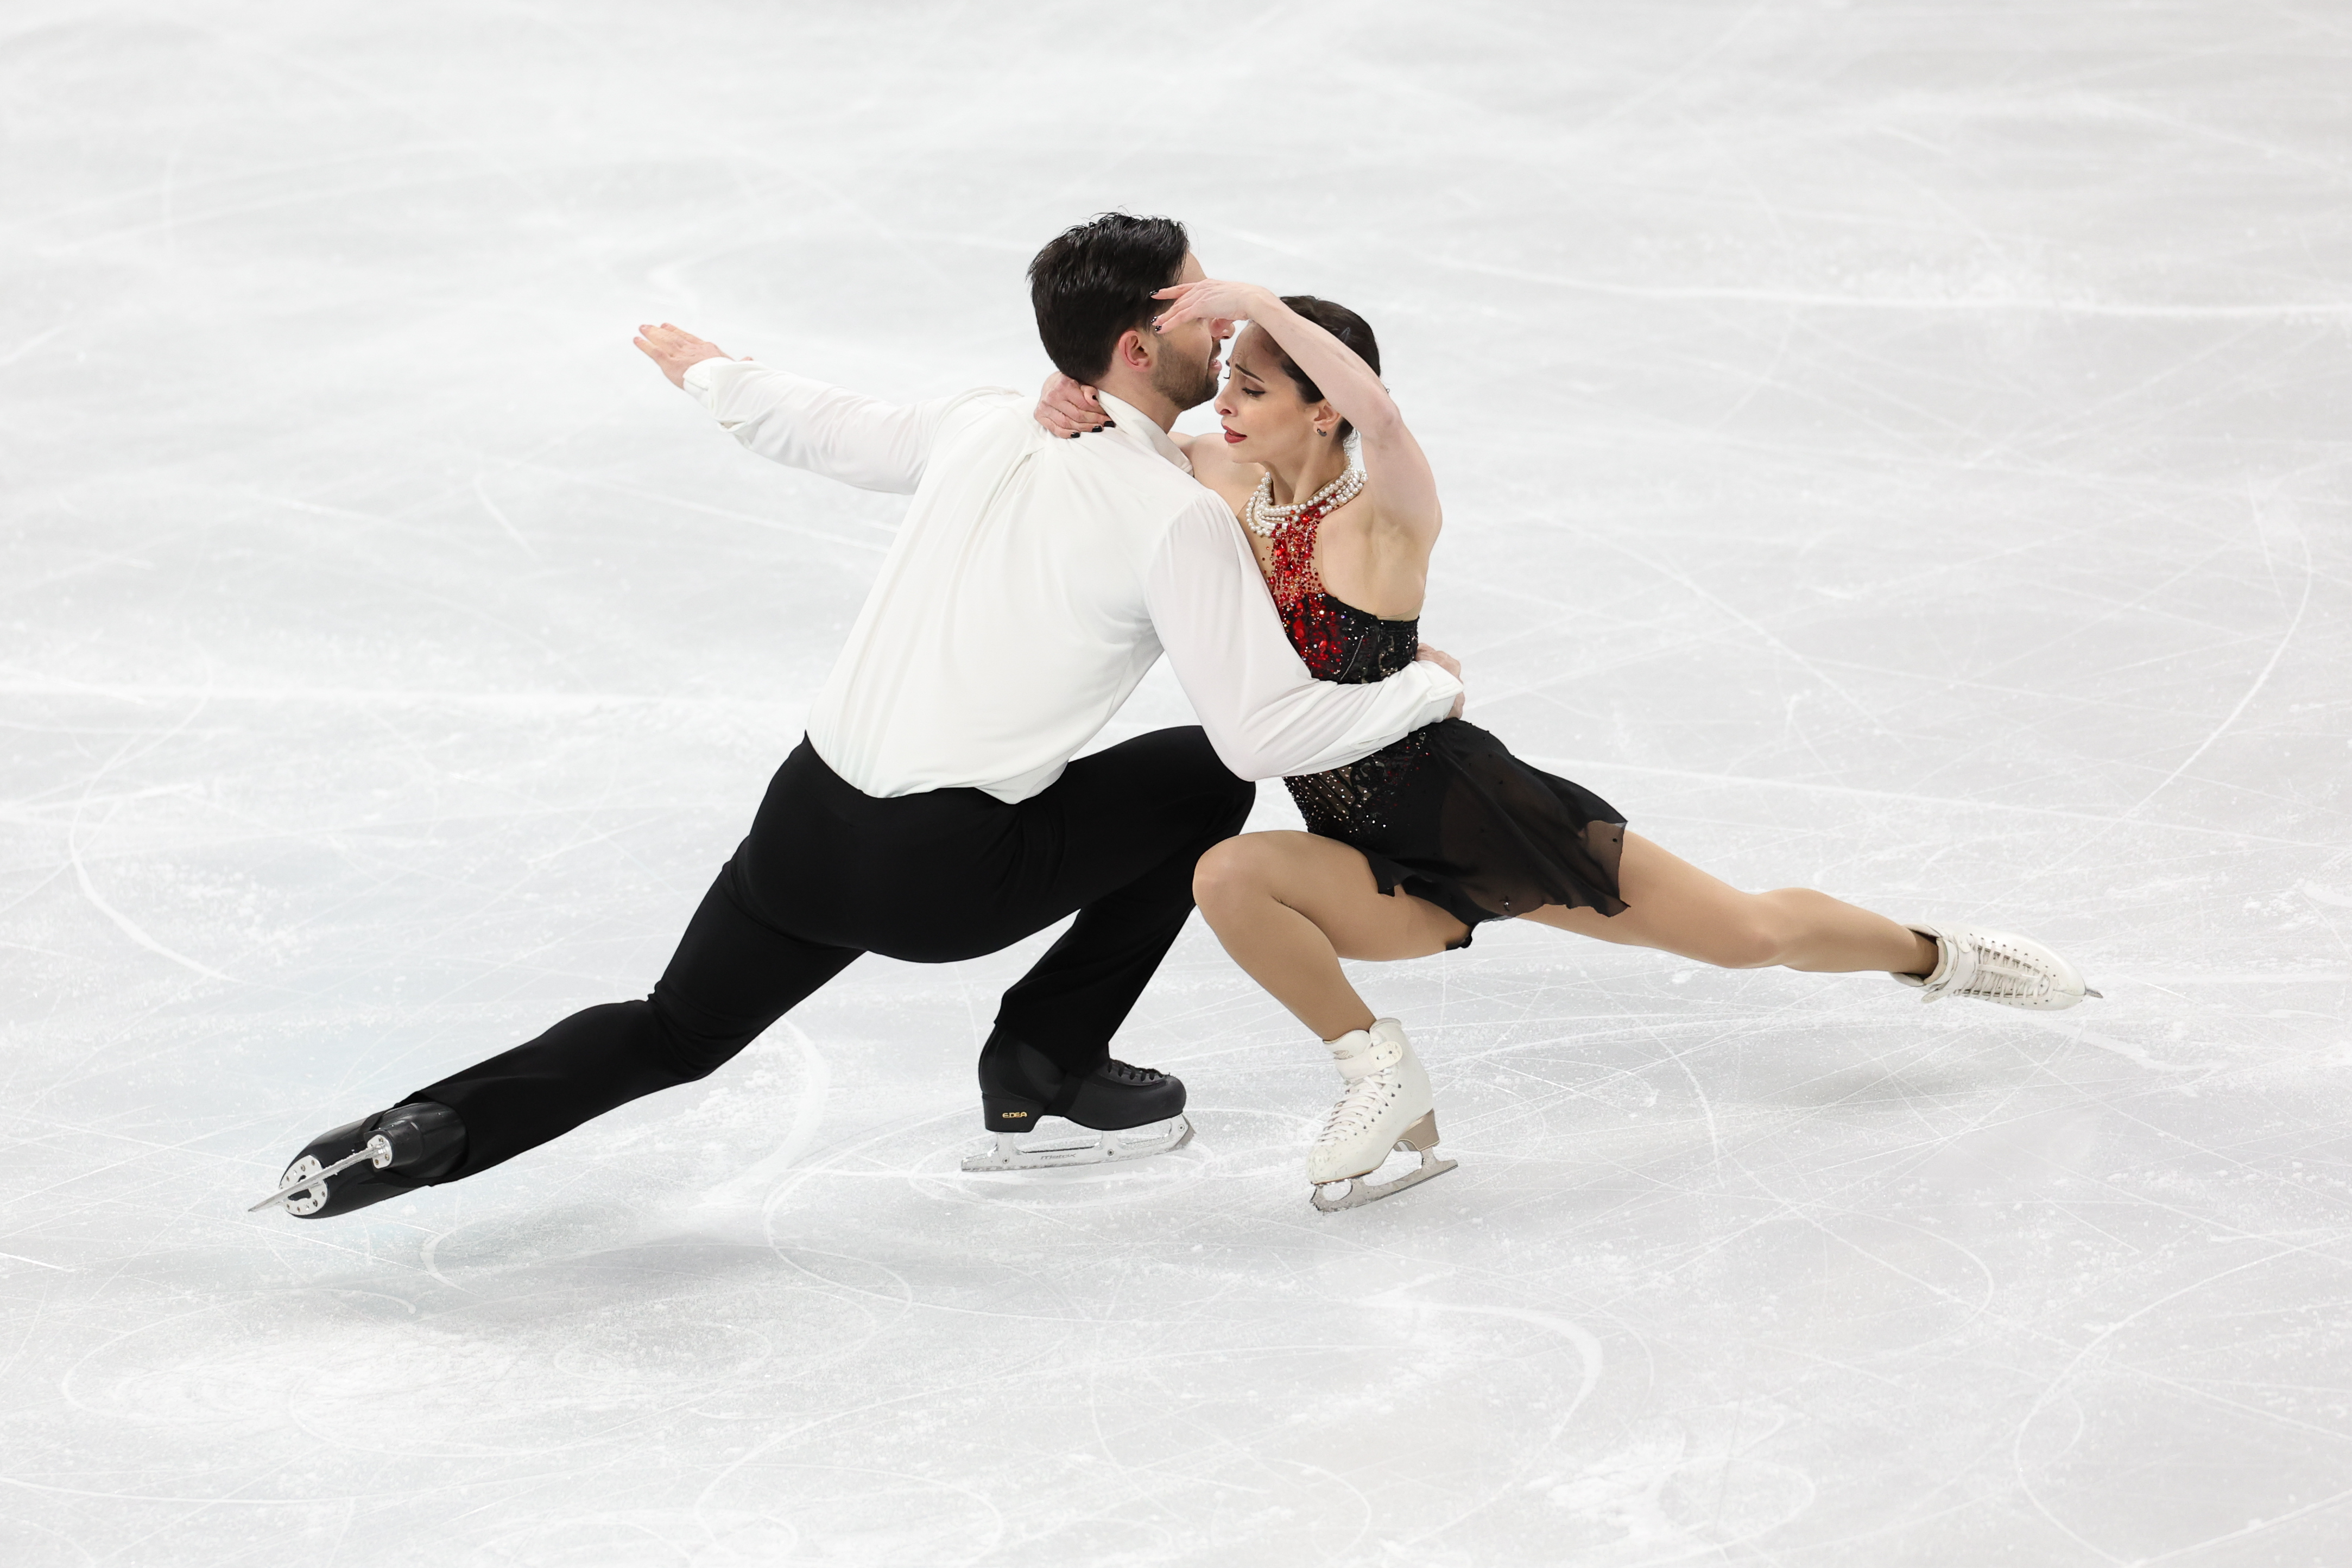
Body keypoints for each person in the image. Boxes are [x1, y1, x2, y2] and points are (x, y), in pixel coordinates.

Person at [249, 216, 1466, 1219]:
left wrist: (710, 372)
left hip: (804, 828)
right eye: (1206, 311)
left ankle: (421, 1132)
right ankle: (1043, 1067)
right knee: (1204, 777)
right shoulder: (1173, 516)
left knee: (672, 1030)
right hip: (944, 875)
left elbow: (819, 425)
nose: (1228, 327)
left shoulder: (987, 420)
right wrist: (1423, 686)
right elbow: (1259, 735)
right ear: (1146, 345)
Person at [1036, 280, 2101, 1211]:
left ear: (1322, 409)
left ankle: (1943, 955)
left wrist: (1267, 307)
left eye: (1255, 386)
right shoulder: (1226, 476)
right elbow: (1123, 435)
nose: (1225, 399)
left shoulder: (1385, 518)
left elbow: (1384, 417)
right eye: (1233, 381)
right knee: (1228, 874)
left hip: (1478, 814)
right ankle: (1376, 1069)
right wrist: (1060, 398)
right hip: (1360, 844)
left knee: (1744, 934)